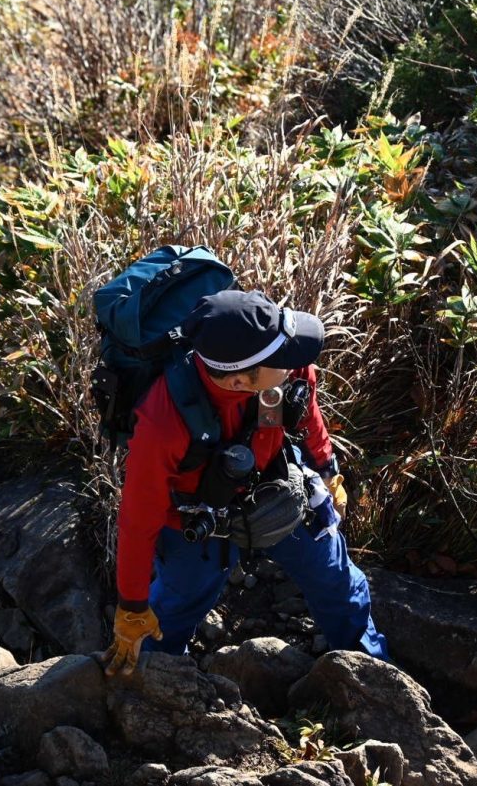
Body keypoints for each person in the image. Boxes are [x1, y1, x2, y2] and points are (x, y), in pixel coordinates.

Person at [101, 289, 388, 676]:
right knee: (173, 610)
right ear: (239, 380)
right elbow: (139, 519)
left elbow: (307, 409)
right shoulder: (164, 422)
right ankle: (155, 684)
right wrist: (132, 606)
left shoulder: (282, 361)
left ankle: (369, 672)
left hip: (278, 482)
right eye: (283, 356)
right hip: (193, 519)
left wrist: (325, 468)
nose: (298, 357)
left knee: (335, 580)